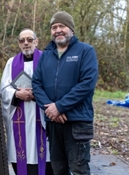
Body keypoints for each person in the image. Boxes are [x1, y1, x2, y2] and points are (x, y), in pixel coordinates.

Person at [32, 11, 98, 175]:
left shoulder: (85, 51)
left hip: (76, 122)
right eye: (54, 27)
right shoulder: (46, 55)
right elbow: (36, 83)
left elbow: (87, 83)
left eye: (62, 26)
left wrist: (60, 107)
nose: (58, 30)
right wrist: (51, 109)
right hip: (54, 122)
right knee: (58, 169)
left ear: (72, 29)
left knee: (79, 169)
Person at [0, 28, 53, 175]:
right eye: (22, 40)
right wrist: (17, 93)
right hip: (20, 115)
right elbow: (3, 89)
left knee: (45, 155)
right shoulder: (11, 63)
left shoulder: (47, 59)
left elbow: (55, 86)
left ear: (36, 41)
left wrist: (38, 94)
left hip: (41, 115)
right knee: (21, 154)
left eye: (30, 40)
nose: (26, 43)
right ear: (18, 44)